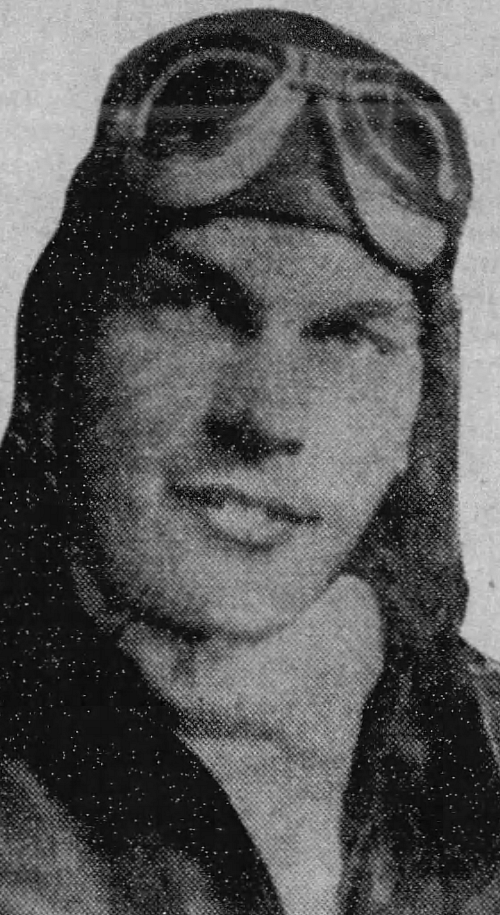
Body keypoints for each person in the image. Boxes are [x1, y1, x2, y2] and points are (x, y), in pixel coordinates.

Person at [1, 8, 500, 914]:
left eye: (349, 336)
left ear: (418, 417)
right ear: (58, 362)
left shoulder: (483, 751)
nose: (265, 417)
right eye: (194, 306)